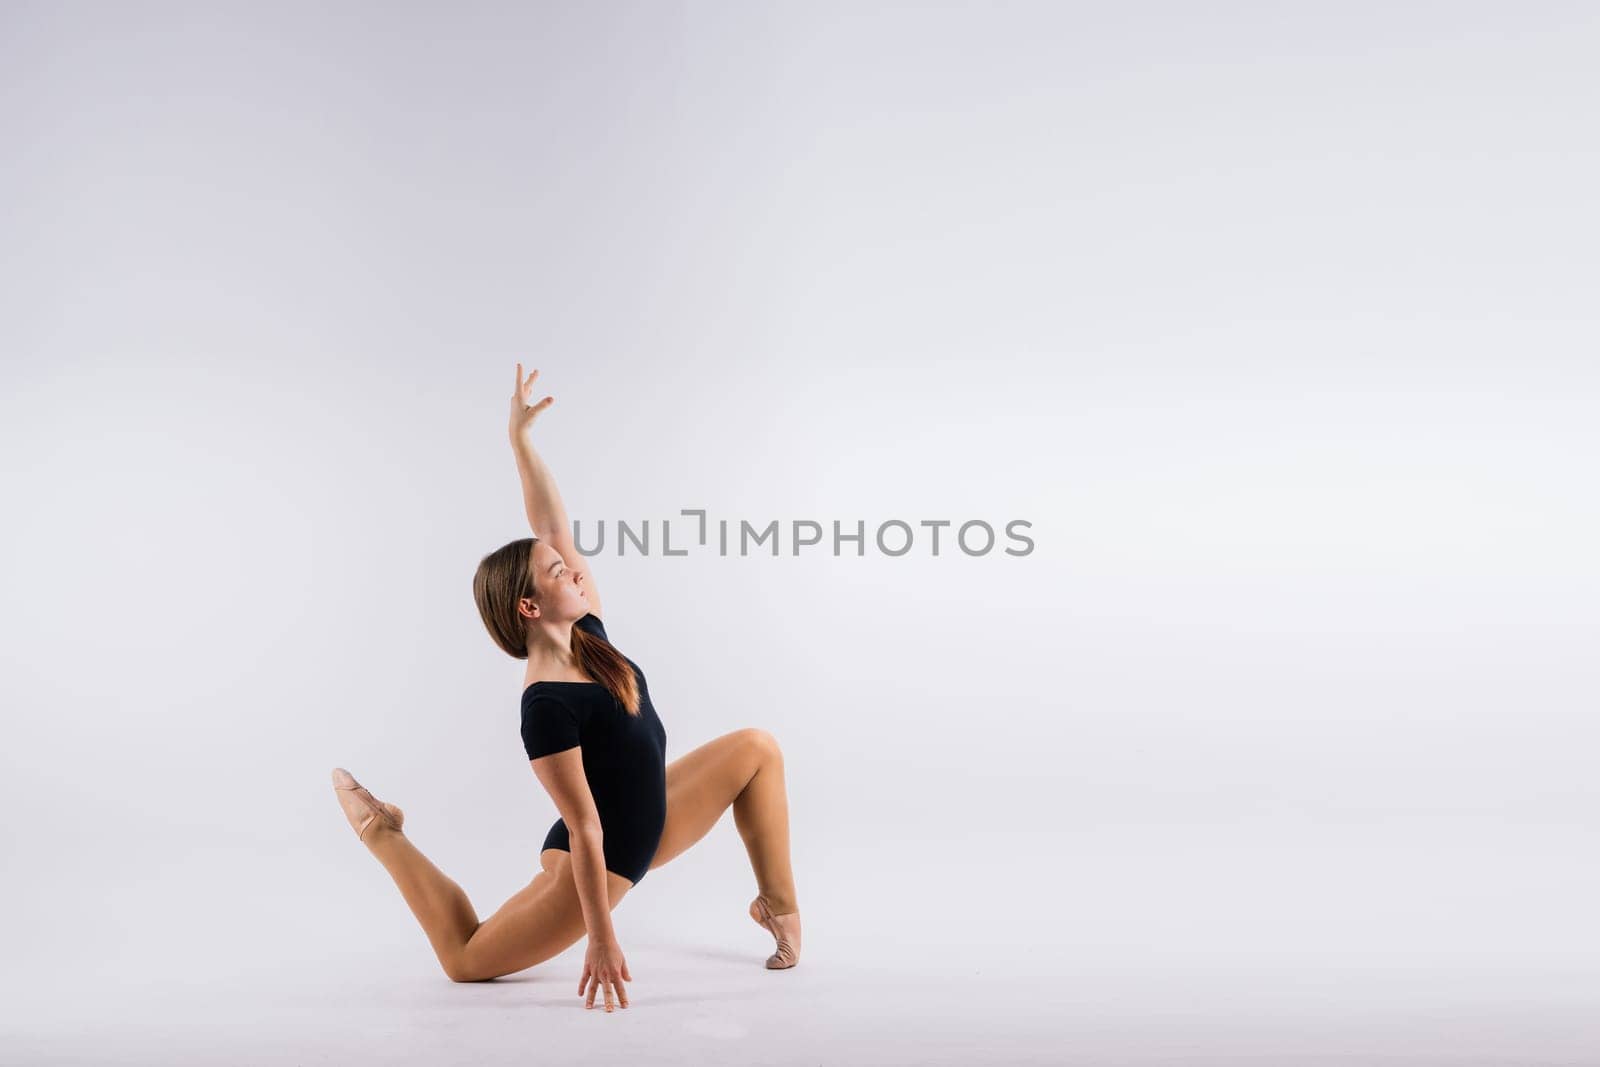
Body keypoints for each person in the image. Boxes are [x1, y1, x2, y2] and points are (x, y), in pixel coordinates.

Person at [330, 363, 802, 1013]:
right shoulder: (545, 704)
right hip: (602, 861)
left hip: (648, 816)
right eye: (558, 572)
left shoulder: (588, 632)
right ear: (530, 606)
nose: (572, 568)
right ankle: (383, 830)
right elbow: (583, 826)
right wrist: (602, 937)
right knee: (465, 957)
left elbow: (551, 528)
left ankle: (778, 906)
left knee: (758, 748)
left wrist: (520, 441)